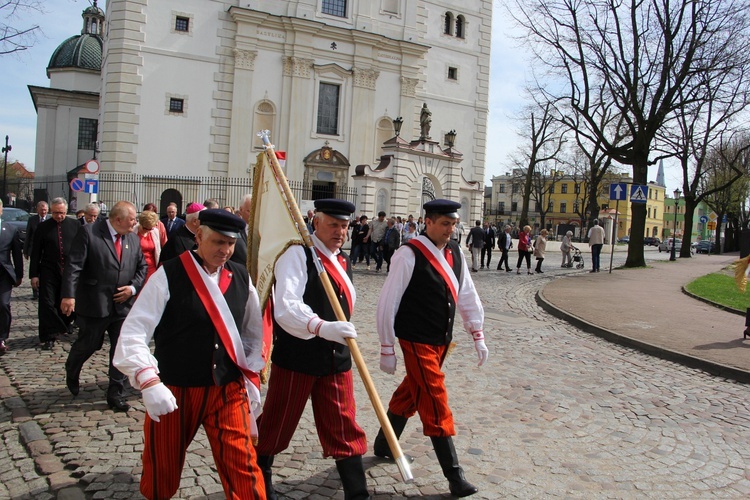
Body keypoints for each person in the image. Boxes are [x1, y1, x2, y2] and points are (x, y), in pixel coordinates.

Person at [113, 209, 266, 500]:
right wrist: (148, 380)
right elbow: (133, 333)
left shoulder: (240, 277)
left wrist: (249, 377)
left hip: (226, 389)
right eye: (218, 242)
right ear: (198, 236)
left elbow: (251, 333)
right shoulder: (168, 274)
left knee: (243, 467)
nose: (225, 250)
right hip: (176, 389)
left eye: (231, 244)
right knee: (162, 473)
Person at [256, 198, 369, 500]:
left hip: (337, 360)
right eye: (333, 224)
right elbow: (287, 306)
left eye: (344, 225)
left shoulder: (342, 259)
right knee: (277, 423)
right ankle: (259, 477)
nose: (340, 231)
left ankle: (358, 494)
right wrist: (320, 326)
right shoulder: (297, 253)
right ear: (315, 221)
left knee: (344, 426)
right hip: (298, 357)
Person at [374, 199, 487, 498]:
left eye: (453, 224)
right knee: (434, 396)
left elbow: (467, 294)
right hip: (415, 337)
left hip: (441, 340)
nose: (451, 229)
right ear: (429, 222)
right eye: (445, 223)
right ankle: (454, 474)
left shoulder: (456, 253)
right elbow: (388, 302)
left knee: (415, 388)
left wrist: (477, 333)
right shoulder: (408, 254)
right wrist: (387, 346)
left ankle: (384, 443)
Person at [61, 201, 148, 412]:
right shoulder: (89, 233)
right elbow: (74, 265)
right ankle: (72, 366)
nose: (135, 222)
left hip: (123, 306)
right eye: (132, 219)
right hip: (95, 302)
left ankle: (116, 393)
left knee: (121, 348)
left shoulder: (132, 239)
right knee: (89, 343)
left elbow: (142, 267)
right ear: (118, 220)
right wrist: (68, 296)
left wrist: (133, 289)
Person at [29, 198, 81, 350]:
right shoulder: (43, 227)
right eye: (56, 213)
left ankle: (63, 325)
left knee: (67, 302)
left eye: (63, 213)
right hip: (48, 270)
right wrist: (34, 274)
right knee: (47, 303)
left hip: (69, 271)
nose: (59, 216)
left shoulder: (75, 225)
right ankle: (49, 336)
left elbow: (81, 249)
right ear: (51, 211)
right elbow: (36, 252)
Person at [0, 199, 23, 355]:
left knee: (2, 304)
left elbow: (16, 254)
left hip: (3, 274)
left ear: (1, 210)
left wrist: (19, 274)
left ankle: (1, 337)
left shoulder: (9, 229)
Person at [23, 201, 49, 299]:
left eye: (45, 210)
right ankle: (35, 292)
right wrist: (25, 251)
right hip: (34, 250)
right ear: (37, 210)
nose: (43, 212)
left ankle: (43, 290)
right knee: (34, 271)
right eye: (42, 210)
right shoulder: (32, 220)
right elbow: (28, 236)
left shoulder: (50, 219)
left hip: (46, 251)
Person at [135, 210, 161, 281]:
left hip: (151, 267)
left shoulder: (154, 232)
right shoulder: (133, 232)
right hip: (137, 268)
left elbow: (158, 250)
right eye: (149, 228)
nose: (152, 229)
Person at [230, 194, 251, 267]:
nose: (253, 215)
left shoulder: (263, 230)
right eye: (249, 211)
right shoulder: (233, 229)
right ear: (241, 210)